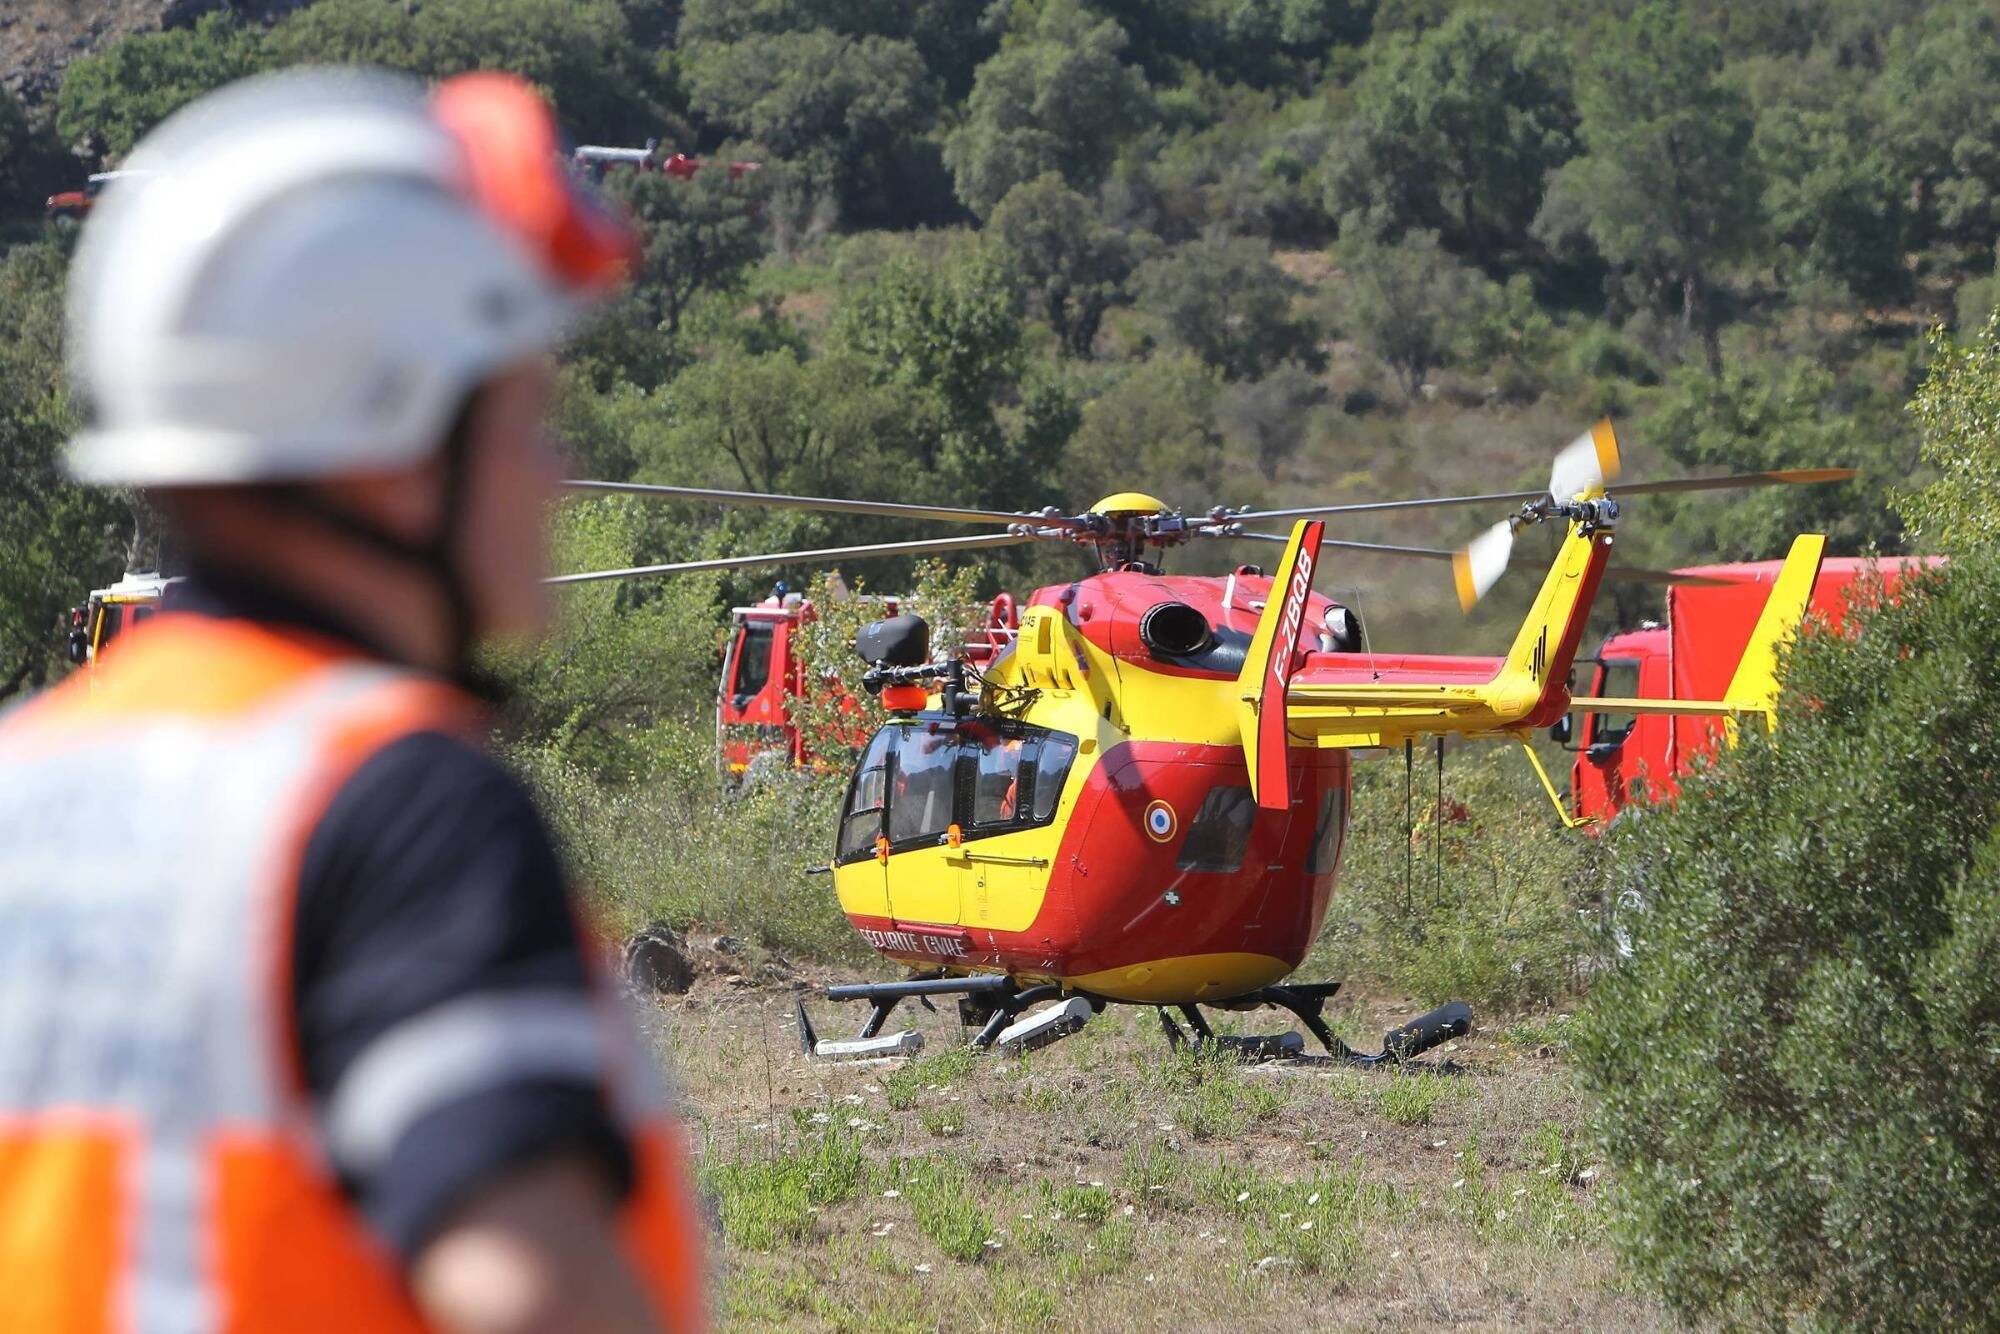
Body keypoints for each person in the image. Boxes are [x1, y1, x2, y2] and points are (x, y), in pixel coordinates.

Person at [0, 70, 704, 1331]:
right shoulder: (398, 805)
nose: (554, 472)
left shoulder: (28, 776)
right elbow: (530, 1290)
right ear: (389, 445)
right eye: (517, 420)